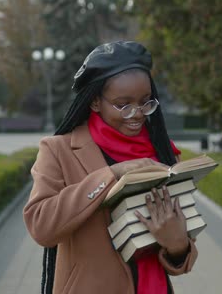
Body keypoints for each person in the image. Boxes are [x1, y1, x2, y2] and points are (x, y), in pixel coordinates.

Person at [23, 41, 198, 294]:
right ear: (95, 102)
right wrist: (112, 175)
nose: (137, 114)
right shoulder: (58, 150)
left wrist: (178, 245)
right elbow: (41, 227)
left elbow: (181, 260)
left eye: (146, 102)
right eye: (123, 105)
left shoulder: (164, 154)